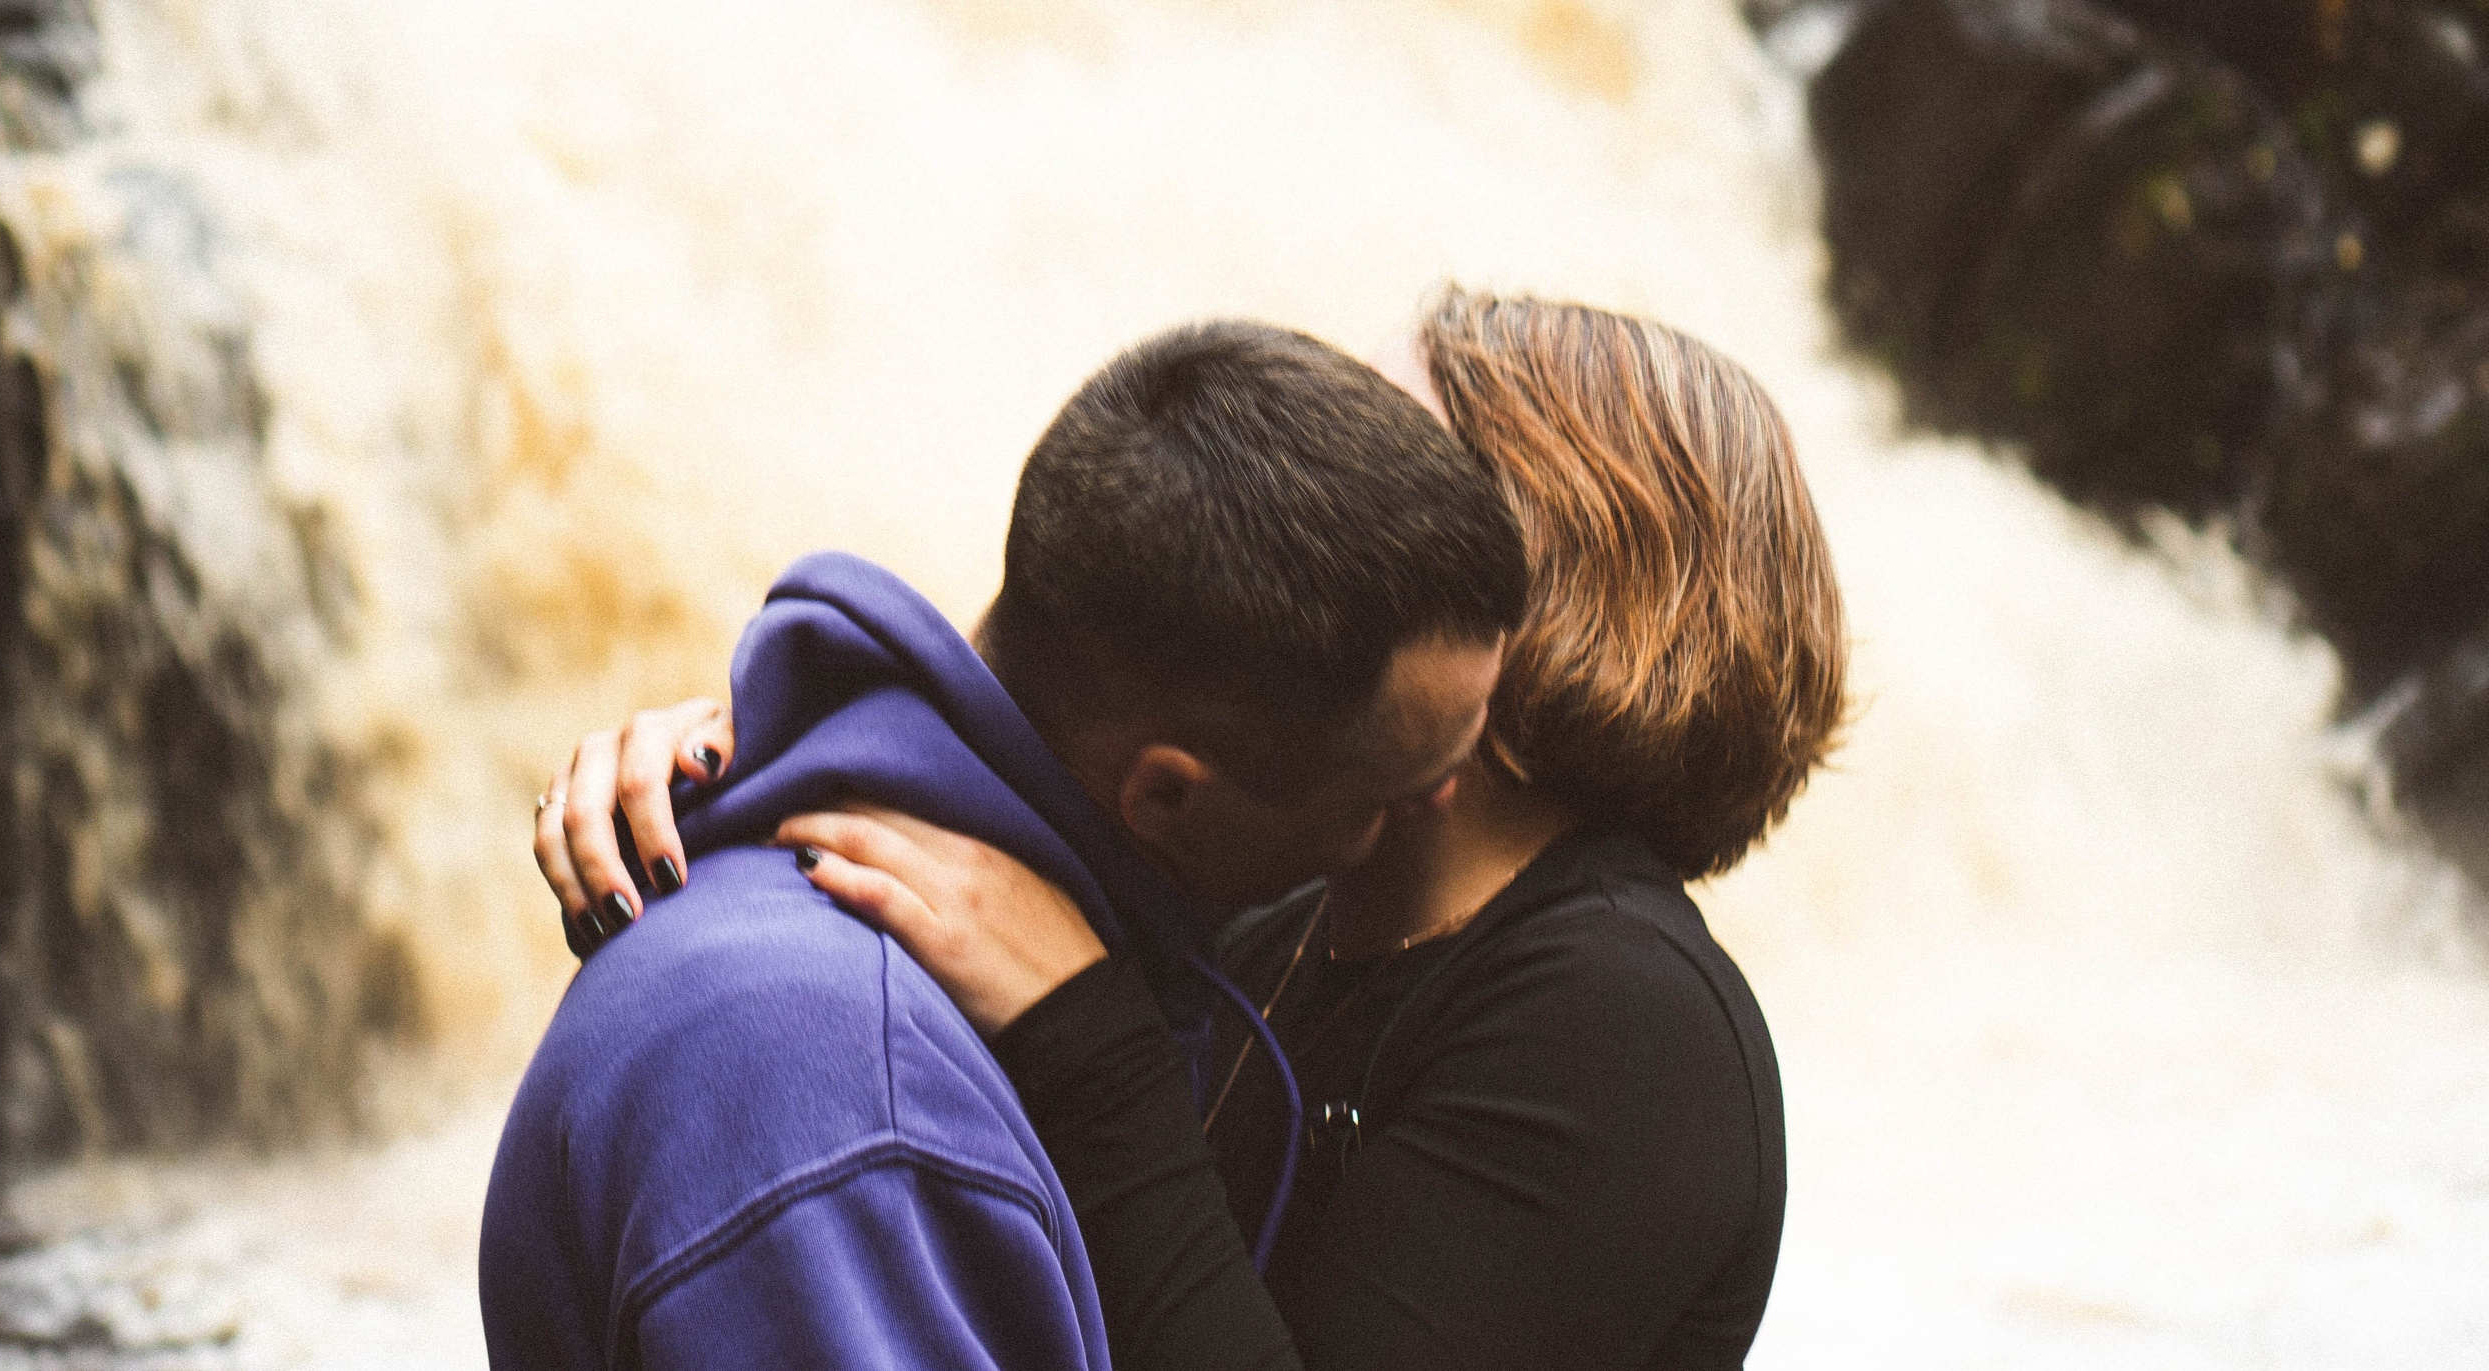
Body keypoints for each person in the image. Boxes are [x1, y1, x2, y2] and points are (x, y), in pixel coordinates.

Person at [546, 290, 1850, 1370]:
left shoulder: (1623, 1022)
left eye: (1393, 448)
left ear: (1543, 583)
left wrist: (1093, 1046)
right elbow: (1071, 750)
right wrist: (737, 761)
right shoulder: (1288, 892)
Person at [481, 320, 1527, 1370]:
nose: (1445, 801)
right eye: (1386, 795)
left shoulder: (1056, 949)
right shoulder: (847, 1101)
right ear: (1167, 797)